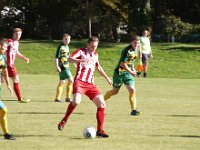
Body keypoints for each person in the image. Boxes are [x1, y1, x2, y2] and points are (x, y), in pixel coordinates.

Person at [58, 36, 112, 138]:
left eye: (95, 46)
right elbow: (69, 59)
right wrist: (80, 61)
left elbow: (98, 67)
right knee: (76, 101)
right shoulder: (81, 51)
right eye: (92, 46)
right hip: (80, 82)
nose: (93, 48)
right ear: (88, 45)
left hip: (90, 84)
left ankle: (100, 131)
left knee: (102, 104)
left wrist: (107, 78)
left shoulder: (95, 54)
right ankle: (64, 120)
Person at [104, 35, 141, 116]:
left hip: (128, 74)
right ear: (131, 42)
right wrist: (131, 72)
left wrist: (133, 69)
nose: (136, 44)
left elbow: (131, 61)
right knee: (114, 92)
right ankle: (101, 101)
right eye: (135, 43)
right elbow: (123, 64)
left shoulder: (136, 49)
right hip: (119, 73)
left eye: (138, 43)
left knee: (132, 90)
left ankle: (133, 110)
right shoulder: (126, 50)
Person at [6, 28, 30, 103]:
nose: (18, 36)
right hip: (8, 64)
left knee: (4, 80)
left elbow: (16, 52)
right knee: (16, 79)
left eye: (19, 34)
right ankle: (20, 98)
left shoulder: (17, 43)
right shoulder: (9, 42)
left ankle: (20, 98)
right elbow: (2, 48)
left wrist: (24, 58)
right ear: (13, 34)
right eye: (16, 34)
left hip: (11, 64)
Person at [0, 38, 16, 140]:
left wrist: (8, 85)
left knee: (3, 110)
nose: (6, 49)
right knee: (4, 109)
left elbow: (5, 72)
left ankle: (6, 134)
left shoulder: (2, 57)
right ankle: (6, 134)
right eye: (5, 47)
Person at [54, 34, 73, 102]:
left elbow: (68, 57)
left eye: (68, 39)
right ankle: (67, 98)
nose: (67, 40)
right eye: (66, 39)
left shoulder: (67, 47)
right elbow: (56, 57)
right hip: (62, 66)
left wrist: (73, 63)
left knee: (62, 81)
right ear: (62, 40)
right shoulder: (60, 47)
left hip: (66, 66)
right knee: (71, 80)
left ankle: (57, 98)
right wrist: (57, 66)